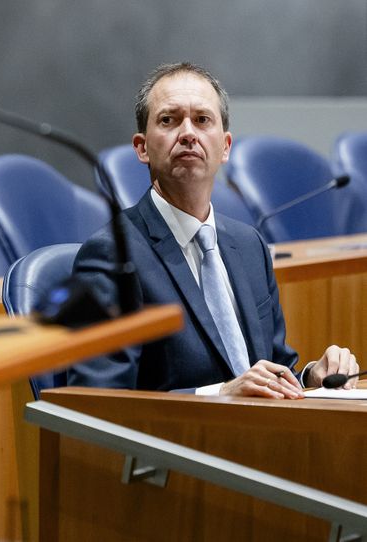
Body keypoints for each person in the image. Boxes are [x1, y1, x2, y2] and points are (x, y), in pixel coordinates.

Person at [68, 62, 357, 396]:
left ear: (226, 146)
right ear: (142, 147)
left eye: (202, 120)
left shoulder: (249, 245)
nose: (188, 133)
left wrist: (311, 377)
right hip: (177, 447)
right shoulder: (110, 256)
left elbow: (276, 368)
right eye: (168, 120)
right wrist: (218, 395)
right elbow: (97, 400)